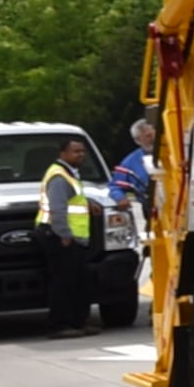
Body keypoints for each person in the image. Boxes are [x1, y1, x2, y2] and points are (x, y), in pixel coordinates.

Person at [35, 137, 100, 336]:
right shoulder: (59, 176)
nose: (80, 154)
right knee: (63, 282)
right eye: (75, 151)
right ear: (63, 153)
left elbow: (72, 198)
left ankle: (78, 322)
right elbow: (58, 208)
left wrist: (88, 202)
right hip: (60, 236)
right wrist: (64, 234)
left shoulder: (69, 174)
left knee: (80, 281)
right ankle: (58, 326)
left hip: (73, 238)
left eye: (82, 151)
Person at [110, 119, 156, 218]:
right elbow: (115, 186)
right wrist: (120, 198)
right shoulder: (129, 162)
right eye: (147, 136)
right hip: (149, 209)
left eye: (152, 134)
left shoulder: (174, 154)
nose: (152, 139)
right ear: (137, 141)